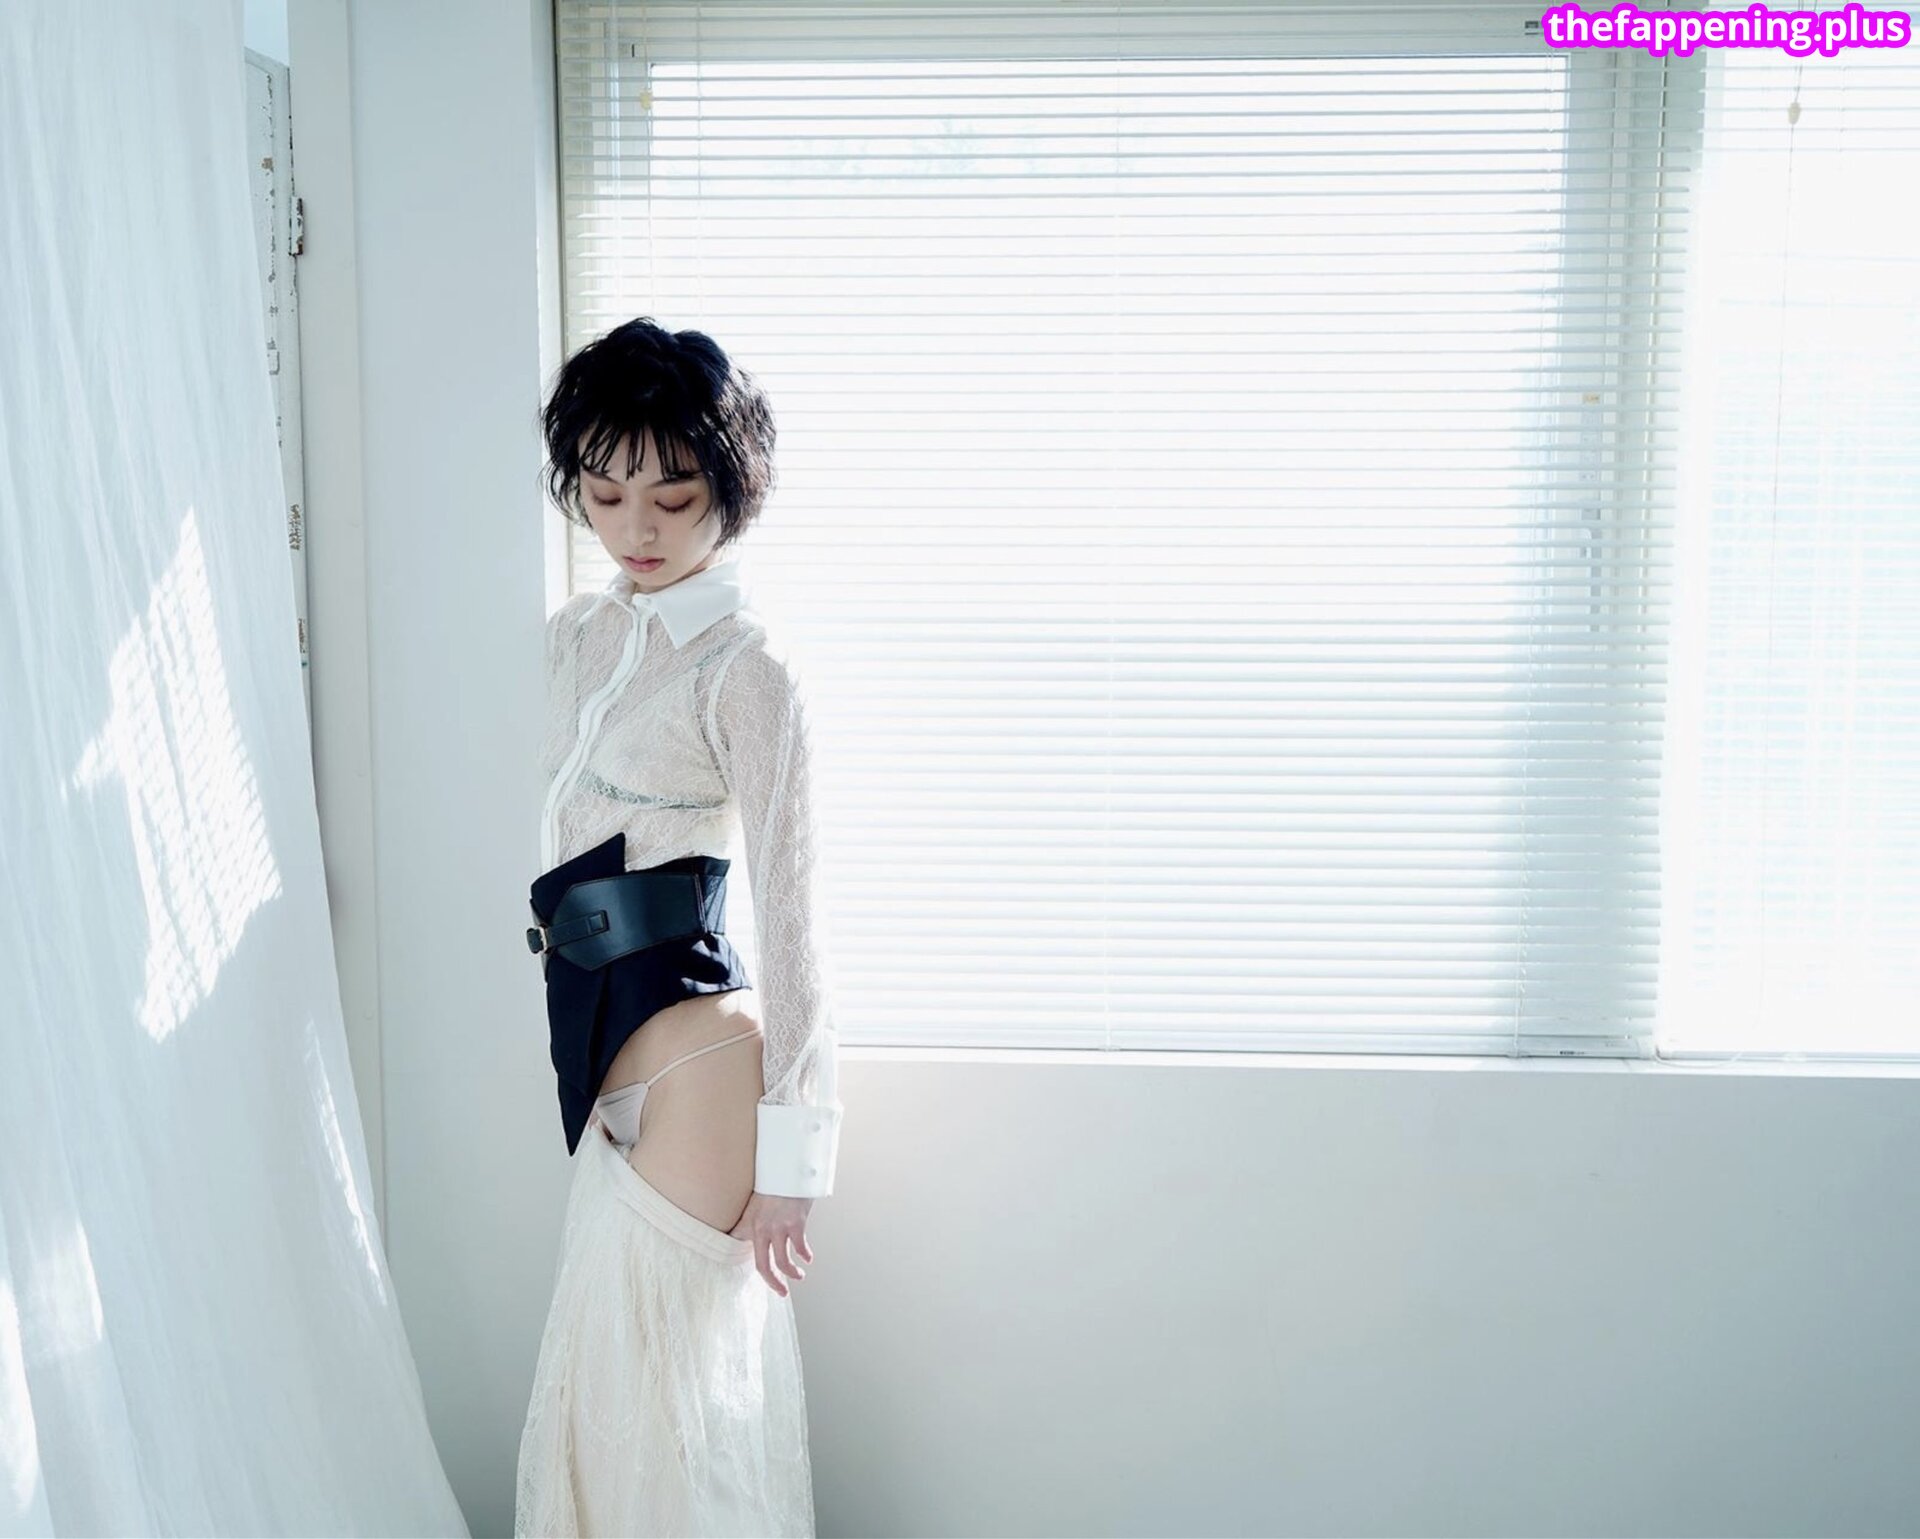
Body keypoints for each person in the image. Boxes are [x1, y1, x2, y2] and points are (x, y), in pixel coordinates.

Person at [514, 318, 843, 1538]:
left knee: (668, 1425)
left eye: (673, 496)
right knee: (599, 1407)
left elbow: (794, 913)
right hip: (598, 1056)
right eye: (605, 495)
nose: (636, 529)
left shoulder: (747, 671)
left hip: (701, 1070)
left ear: (729, 490)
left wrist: (795, 1166)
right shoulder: (576, 638)